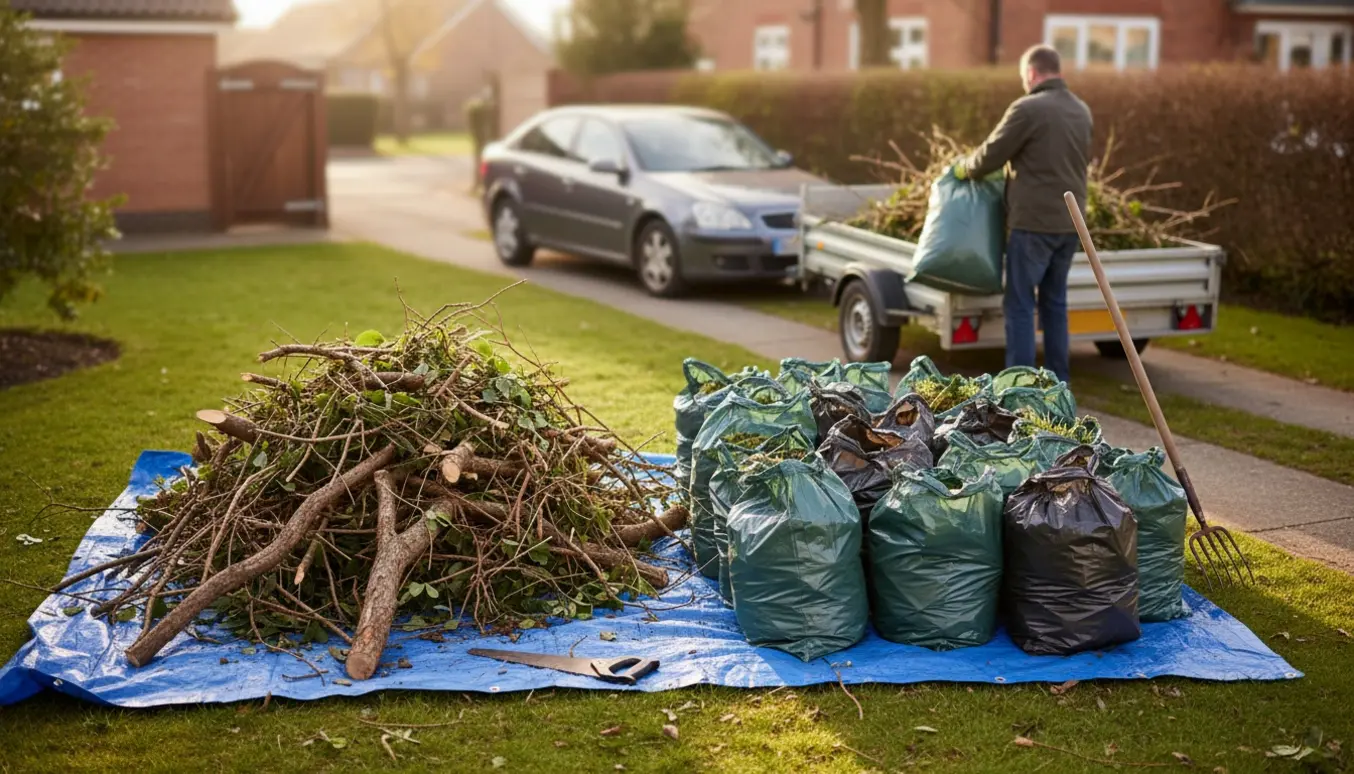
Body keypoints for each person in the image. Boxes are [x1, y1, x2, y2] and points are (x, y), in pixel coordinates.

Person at [953, 45, 1092, 384]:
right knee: (1054, 303)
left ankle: (1020, 385)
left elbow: (990, 155)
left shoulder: (1028, 108)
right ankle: (1059, 381)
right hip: (1071, 225)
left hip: (1033, 225)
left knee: (1019, 305)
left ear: (1031, 73)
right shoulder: (1081, 110)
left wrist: (963, 169)